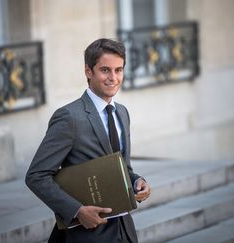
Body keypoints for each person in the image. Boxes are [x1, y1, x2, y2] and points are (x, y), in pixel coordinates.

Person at [25, 38, 151, 243]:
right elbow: (36, 176)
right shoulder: (69, 117)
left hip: (125, 232)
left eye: (118, 70)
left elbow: (122, 168)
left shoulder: (122, 112)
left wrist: (137, 181)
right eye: (105, 70)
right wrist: (77, 211)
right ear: (88, 71)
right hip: (86, 235)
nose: (113, 78)